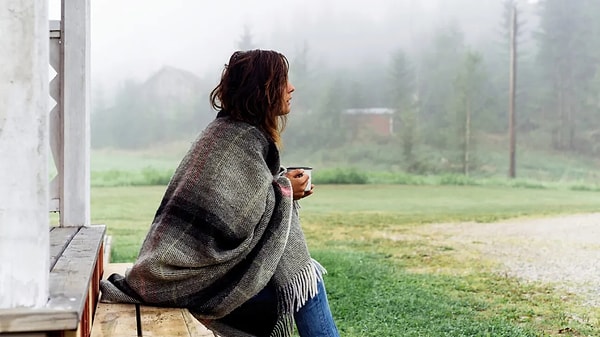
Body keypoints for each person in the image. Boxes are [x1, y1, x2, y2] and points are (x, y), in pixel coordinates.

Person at [100, 49, 340, 337]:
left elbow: (241, 208)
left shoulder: (230, 133)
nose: (291, 88)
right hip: (184, 279)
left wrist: (281, 189)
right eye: (282, 81)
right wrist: (284, 190)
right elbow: (240, 219)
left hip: (184, 274)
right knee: (306, 281)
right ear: (262, 90)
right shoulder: (236, 139)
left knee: (297, 275)